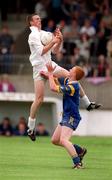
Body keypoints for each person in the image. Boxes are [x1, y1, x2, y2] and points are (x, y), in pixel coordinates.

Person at [26, 13, 101, 141]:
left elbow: (55, 51)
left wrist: (59, 41)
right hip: (39, 69)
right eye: (37, 19)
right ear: (31, 23)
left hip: (50, 65)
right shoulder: (32, 36)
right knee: (39, 99)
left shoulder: (43, 33)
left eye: (39, 18)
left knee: (72, 77)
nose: (40, 20)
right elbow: (41, 51)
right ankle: (30, 128)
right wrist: (54, 40)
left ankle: (88, 104)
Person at [43, 63, 87, 169]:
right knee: (55, 140)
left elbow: (53, 88)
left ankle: (78, 163)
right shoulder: (69, 81)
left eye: (72, 69)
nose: (70, 69)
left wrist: (49, 73)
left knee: (63, 140)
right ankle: (80, 150)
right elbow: (58, 83)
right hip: (67, 115)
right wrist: (49, 76)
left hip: (72, 116)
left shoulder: (73, 86)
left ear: (74, 74)